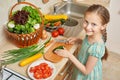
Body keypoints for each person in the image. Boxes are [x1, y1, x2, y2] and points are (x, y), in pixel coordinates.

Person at [54, 4, 110, 80]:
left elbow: (86, 71)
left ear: (103, 26)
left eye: (94, 24)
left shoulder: (96, 48)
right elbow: (88, 44)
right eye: (86, 21)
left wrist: (69, 55)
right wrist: (78, 40)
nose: (87, 27)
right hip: (80, 68)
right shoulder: (91, 34)